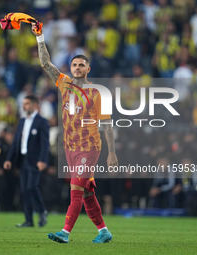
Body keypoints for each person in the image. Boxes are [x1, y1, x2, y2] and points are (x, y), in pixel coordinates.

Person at [31, 23, 118, 243]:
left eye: (82, 65)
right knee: (87, 193)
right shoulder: (64, 84)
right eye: (74, 65)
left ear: (89, 69)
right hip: (70, 148)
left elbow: (107, 125)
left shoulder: (98, 94)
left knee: (76, 188)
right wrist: (40, 36)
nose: (77, 68)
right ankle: (103, 231)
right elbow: (45, 63)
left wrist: (112, 153)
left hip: (89, 147)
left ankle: (65, 232)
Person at [3, 95, 49, 227]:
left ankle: (41, 211)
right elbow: (16, 142)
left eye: (27, 103)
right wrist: (9, 159)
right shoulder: (22, 121)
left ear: (35, 105)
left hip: (34, 160)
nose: (24, 106)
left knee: (31, 187)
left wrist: (42, 160)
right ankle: (29, 220)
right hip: (22, 160)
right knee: (24, 190)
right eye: (23, 104)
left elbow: (44, 144)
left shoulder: (42, 122)